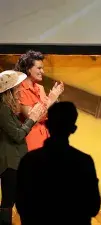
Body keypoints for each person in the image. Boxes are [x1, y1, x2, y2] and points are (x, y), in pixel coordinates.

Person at [15, 101, 101, 225]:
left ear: (47, 124)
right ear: (73, 128)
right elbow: (94, 207)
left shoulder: (29, 161)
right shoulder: (84, 162)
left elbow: (21, 205)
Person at [0, 70, 46, 225]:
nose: (20, 90)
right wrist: (31, 119)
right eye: (17, 87)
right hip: (9, 163)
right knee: (8, 203)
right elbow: (18, 135)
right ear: (9, 90)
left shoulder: (9, 109)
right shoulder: (3, 110)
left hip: (16, 162)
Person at [14, 50, 64, 151]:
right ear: (28, 69)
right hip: (31, 143)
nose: (43, 72)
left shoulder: (40, 88)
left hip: (45, 139)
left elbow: (48, 114)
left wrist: (55, 101)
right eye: (39, 68)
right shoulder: (20, 90)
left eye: (43, 68)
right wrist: (50, 100)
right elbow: (32, 118)